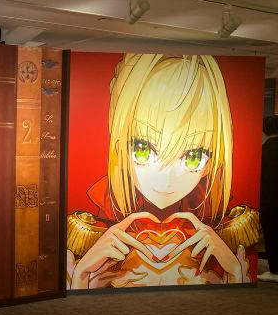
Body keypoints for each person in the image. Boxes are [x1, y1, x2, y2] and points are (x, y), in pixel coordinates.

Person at [67, 54, 259, 289]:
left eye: (193, 156)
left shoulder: (213, 221)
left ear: (211, 161)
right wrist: (80, 278)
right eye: (143, 149)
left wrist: (236, 274)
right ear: (119, 146)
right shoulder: (104, 219)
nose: (166, 180)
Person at [258, 115, 278, 281]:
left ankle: (275, 271)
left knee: (272, 234)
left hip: (269, 200)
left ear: (264, 130)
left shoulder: (263, 151)